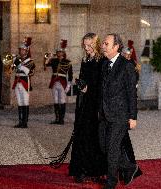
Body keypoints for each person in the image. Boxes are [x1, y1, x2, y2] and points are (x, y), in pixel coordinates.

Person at [99, 33, 140, 189]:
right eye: (103, 43)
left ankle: (111, 183)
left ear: (116, 47)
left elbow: (132, 93)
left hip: (120, 115)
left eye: (106, 43)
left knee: (112, 149)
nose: (103, 46)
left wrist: (133, 117)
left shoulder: (127, 65)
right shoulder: (104, 64)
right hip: (104, 114)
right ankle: (129, 167)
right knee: (104, 146)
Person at [69, 33, 107, 183]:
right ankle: (81, 170)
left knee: (95, 137)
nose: (87, 48)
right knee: (82, 136)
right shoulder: (86, 59)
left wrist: (89, 89)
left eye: (90, 45)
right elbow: (86, 78)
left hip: (96, 104)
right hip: (84, 103)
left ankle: (97, 171)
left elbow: (103, 85)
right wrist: (80, 84)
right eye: (85, 45)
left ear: (96, 44)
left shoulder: (102, 61)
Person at [44, 39, 73, 125]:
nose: (59, 53)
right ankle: (57, 118)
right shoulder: (54, 60)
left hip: (63, 82)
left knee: (62, 100)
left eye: (60, 52)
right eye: (57, 51)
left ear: (63, 53)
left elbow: (70, 75)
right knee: (55, 100)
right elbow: (46, 64)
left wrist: (69, 85)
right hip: (54, 82)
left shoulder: (68, 62)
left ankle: (61, 119)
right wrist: (48, 57)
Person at [12, 37, 35, 128]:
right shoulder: (17, 59)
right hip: (17, 82)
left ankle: (25, 122)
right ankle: (20, 121)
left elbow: (28, 72)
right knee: (19, 102)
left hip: (25, 82)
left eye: (23, 50)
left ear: (26, 51)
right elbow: (12, 69)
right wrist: (12, 62)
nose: (21, 51)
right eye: (20, 50)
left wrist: (18, 64)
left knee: (25, 102)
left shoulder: (30, 61)